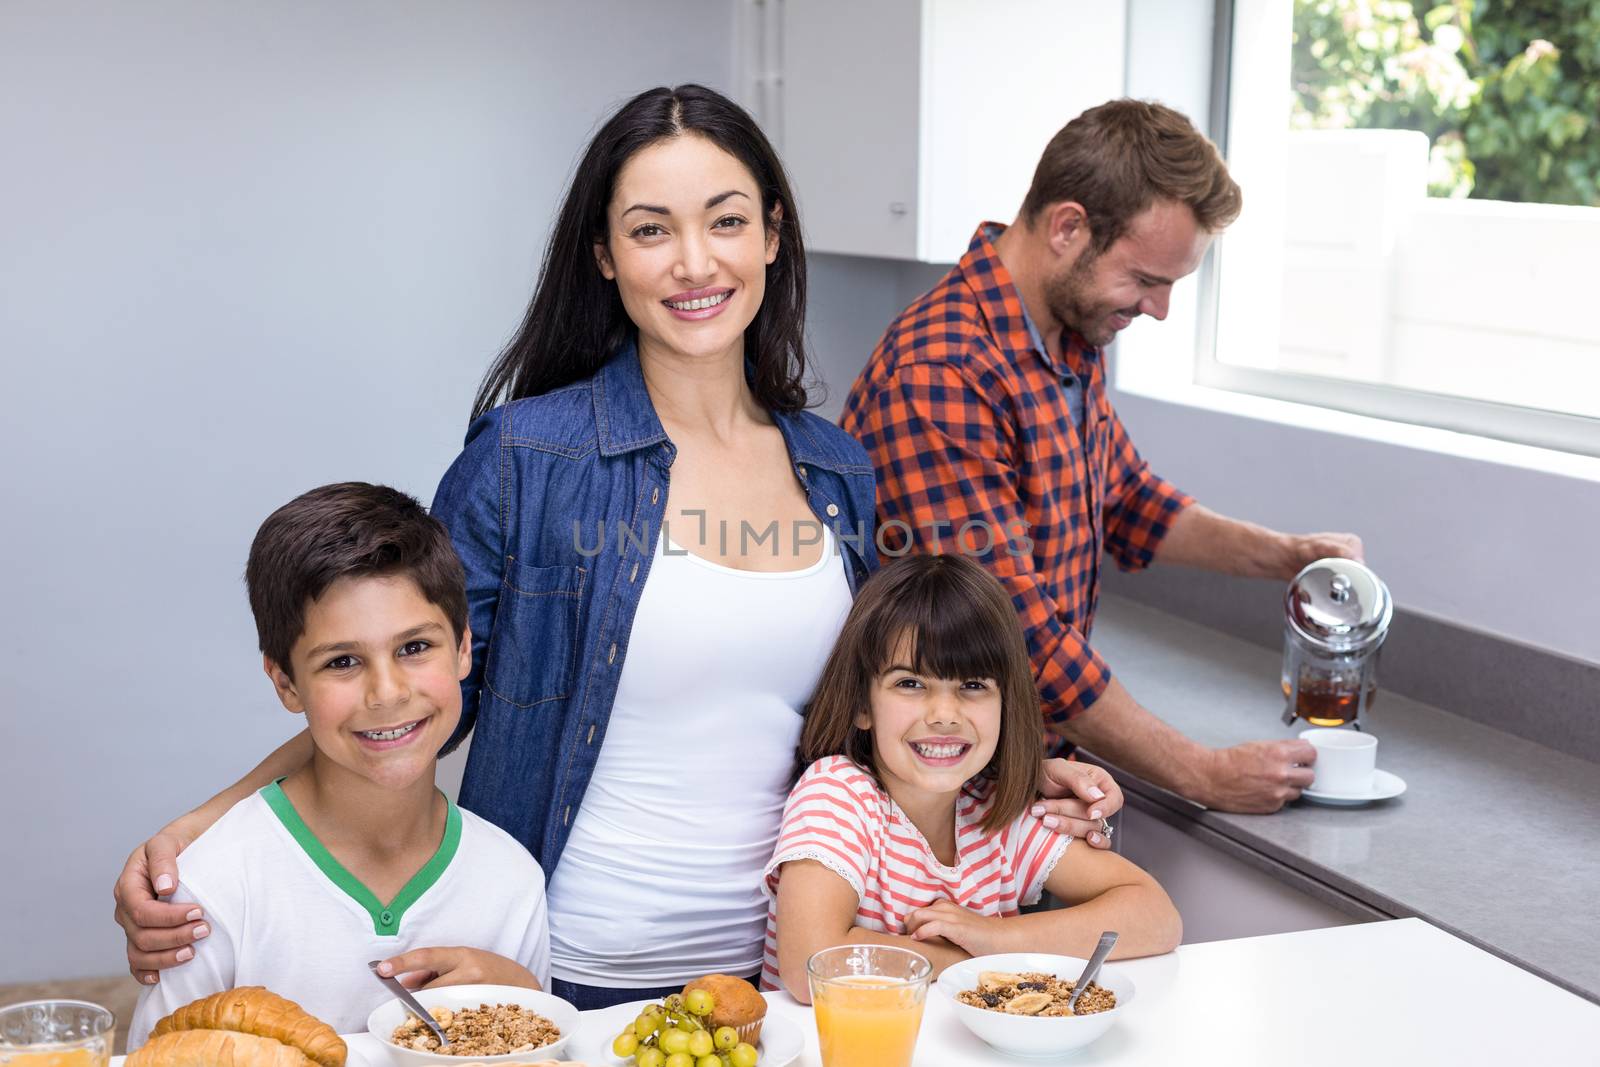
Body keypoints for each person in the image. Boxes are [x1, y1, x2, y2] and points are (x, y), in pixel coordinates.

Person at [112, 85, 1124, 1006]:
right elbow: (407, 681)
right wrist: (208, 826)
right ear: (605, 254)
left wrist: (1017, 774)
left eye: (726, 221)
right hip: (574, 965)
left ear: (771, 235)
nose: (695, 262)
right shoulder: (527, 457)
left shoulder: (836, 471)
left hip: (791, 969)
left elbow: (872, 715)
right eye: (652, 230)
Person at [842, 99, 1363, 814]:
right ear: (1068, 228)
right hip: (934, 791)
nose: (1159, 309)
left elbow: (1128, 499)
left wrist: (1285, 555)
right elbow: (1012, 634)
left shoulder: (1069, 336)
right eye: (1147, 280)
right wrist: (1201, 772)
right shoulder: (945, 368)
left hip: (1020, 766)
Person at [126, 483, 550, 1047]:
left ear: (464, 647)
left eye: (415, 647)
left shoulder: (511, 879)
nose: (387, 692)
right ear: (284, 682)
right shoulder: (214, 887)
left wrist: (524, 1000)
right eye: (343, 661)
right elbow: (160, 1057)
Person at [764, 554, 1180, 998]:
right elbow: (810, 964)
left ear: (1006, 705)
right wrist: (970, 960)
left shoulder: (999, 815)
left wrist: (997, 938)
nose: (944, 715)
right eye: (910, 684)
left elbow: (1157, 917)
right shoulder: (839, 794)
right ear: (863, 706)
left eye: (973, 686)